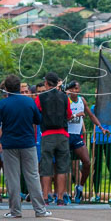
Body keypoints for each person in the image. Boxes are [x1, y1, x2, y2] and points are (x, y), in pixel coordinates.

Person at [0, 75, 51, 218]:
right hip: (28, 143)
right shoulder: (29, 102)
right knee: (32, 176)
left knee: (12, 178)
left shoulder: (2, 104)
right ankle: (40, 210)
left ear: (6, 88)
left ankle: (15, 211)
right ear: (19, 87)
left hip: (9, 144)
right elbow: (38, 120)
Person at [37, 73, 72, 205]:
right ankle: (60, 198)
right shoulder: (64, 97)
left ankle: (45, 197)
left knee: (46, 167)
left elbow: (36, 112)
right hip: (63, 134)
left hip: (47, 135)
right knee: (62, 168)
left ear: (46, 83)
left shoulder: (41, 97)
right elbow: (69, 115)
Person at [64, 81, 100, 204]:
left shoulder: (82, 100)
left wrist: (100, 126)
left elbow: (90, 115)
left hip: (77, 136)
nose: (76, 90)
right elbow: (63, 118)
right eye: (74, 88)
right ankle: (65, 193)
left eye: (78, 88)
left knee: (87, 162)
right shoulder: (66, 101)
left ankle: (80, 188)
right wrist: (75, 115)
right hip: (66, 135)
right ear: (69, 90)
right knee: (64, 166)